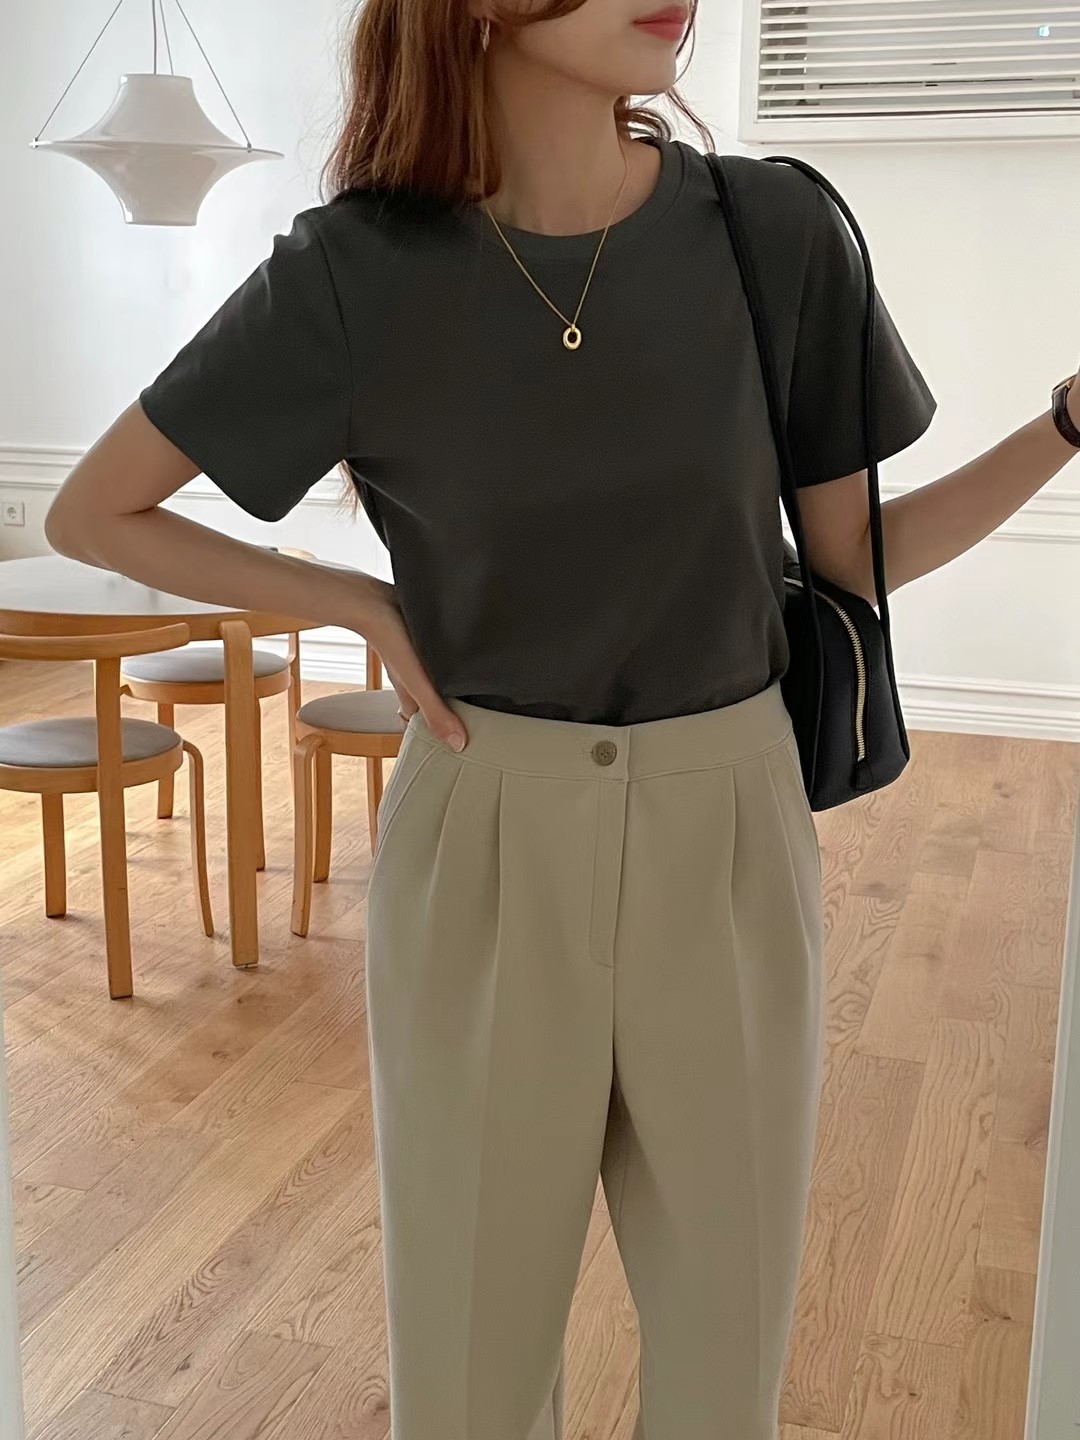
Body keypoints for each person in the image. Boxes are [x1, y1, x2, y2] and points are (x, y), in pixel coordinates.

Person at [44, 1, 1080, 1435]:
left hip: (728, 825)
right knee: (468, 1379)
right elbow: (96, 510)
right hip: (486, 828)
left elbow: (853, 559)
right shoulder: (354, 270)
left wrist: (1068, 421)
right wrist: (354, 601)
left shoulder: (774, 233)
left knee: (725, 1370)